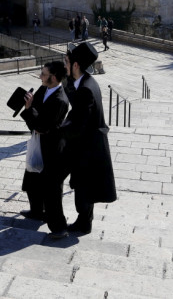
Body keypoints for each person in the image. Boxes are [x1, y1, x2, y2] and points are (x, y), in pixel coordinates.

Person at [60, 42, 117, 234]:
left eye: (67, 62)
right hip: (90, 143)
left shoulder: (85, 89)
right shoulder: (86, 82)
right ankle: (85, 220)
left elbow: (78, 123)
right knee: (86, 185)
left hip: (87, 146)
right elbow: (76, 100)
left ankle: (84, 223)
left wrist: (59, 130)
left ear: (76, 66)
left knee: (83, 186)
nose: (64, 65)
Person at [18, 61, 70, 239]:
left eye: (43, 74)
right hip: (39, 143)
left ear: (53, 78)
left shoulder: (60, 100)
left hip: (53, 150)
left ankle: (59, 228)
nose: (40, 76)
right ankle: (36, 211)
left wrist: (29, 109)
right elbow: (36, 111)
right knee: (32, 178)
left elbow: (42, 126)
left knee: (52, 191)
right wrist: (29, 104)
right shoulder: (44, 89)